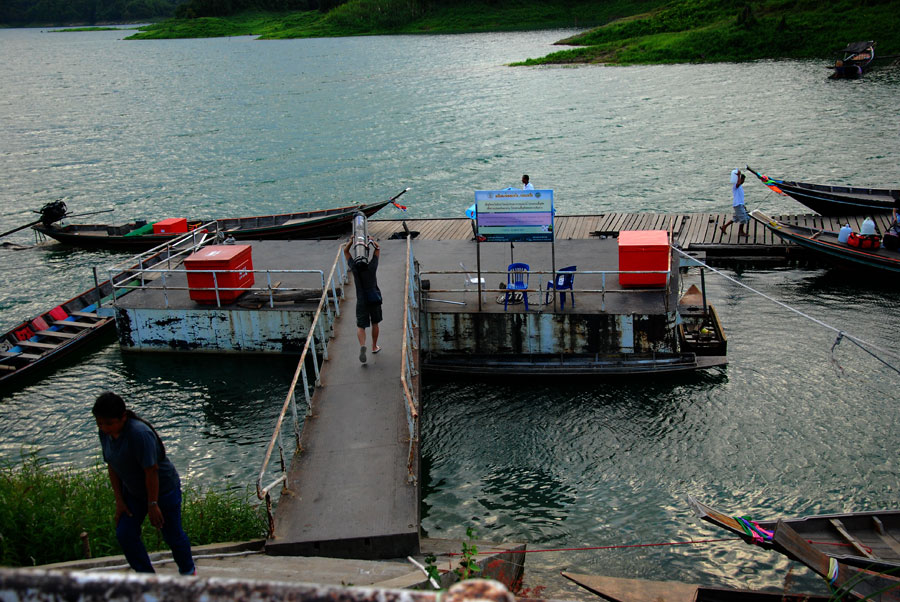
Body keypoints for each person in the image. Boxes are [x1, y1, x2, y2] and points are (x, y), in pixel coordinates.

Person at [92, 392, 195, 575]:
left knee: (172, 534)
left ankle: (188, 572)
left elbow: (151, 471)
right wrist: (119, 501)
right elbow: (112, 465)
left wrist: (153, 504)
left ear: (123, 417)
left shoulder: (139, 434)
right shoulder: (105, 434)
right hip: (133, 492)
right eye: (100, 423)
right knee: (125, 533)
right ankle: (146, 576)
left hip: (162, 490)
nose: (104, 428)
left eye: (109, 423)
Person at [343, 237, 382, 364]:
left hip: (361, 300)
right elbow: (378, 249)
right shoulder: (372, 267)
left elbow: (346, 252)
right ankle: (374, 346)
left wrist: (351, 241)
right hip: (374, 298)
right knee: (375, 323)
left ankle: (362, 346)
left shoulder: (354, 268)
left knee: (361, 326)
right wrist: (371, 240)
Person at [720, 168, 749, 238]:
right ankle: (741, 232)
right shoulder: (736, 186)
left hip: (739, 205)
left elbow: (740, 197)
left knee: (736, 218)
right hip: (738, 205)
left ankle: (724, 226)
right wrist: (738, 175)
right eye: (743, 180)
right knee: (744, 219)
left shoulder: (740, 187)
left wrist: (743, 205)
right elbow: (738, 183)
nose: (743, 181)